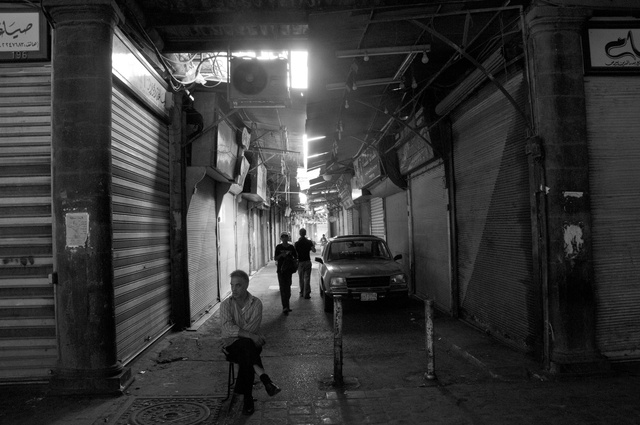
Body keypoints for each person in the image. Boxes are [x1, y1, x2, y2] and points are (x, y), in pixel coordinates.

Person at [220, 270, 281, 415]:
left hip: (247, 347)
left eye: (238, 285)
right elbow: (227, 329)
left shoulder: (256, 304)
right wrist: (251, 336)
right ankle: (262, 382)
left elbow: (250, 329)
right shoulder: (226, 305)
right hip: (231, 347)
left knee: (246, 351)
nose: (234, 289)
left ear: (246, 285)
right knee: (248, 347)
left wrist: (244, 334)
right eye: (232, 285)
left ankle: (245, 395)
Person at [274, 231, 297, 315]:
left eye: (286, 236)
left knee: (288, 288)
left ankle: (287, 305)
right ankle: (285, 307)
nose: (284, 238)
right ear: (281, 238)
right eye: (283, 237)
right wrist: (281, 255)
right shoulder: (278, 247)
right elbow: (275, 258)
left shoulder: (291, 247)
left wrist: (291, 259)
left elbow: (296, 257)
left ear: (288, 238)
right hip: (280, 270)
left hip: (289, 271)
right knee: (282, 288)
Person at [295, 228, 316, 299]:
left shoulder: (297, 243)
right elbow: (314, 250)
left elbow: (295, 254)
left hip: (300, 262)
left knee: (301, 278)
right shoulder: (309, 242)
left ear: (299, 234)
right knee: (307, 278)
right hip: (307, 261)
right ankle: (306, 293)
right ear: (305, 233)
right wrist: (312, 246)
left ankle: (301, 292)